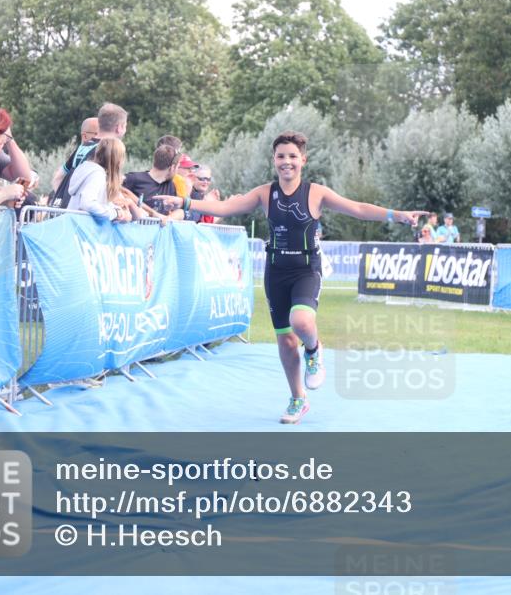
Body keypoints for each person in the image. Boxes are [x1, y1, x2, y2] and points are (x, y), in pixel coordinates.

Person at [154, 130, 426, 424]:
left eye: (293, 157)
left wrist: (396, 215)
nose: (287, 162)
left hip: (306, 269)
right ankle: (298, 399)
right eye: (281, 156)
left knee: (302, 322)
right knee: (285, 342)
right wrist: (185, 204)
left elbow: (358, 209)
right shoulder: (264, 193)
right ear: (274, 160)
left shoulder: (316, 192)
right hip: (276, 271)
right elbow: (225, 208)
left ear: (303, 160)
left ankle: (313, 349)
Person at [50, 103, 128, 192]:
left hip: (71, 204)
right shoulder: (109, 149)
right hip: (88, 204)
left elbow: (58, 178)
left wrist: (65, 200)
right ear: (119, 128)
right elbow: (110, 187)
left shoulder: (82, 148)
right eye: (125, 126)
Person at [67, 138, 138, 223]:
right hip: (80, 229)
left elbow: (100, 204)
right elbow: (87, 203)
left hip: (76, 226)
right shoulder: (97, 174)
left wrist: (119, 212)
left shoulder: (93, 172)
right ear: (117, 159)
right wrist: (115, 213)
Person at [123, 144, 184, 218]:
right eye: (178, 167)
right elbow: (116, 192)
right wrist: (152, 212)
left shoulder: (171, 186)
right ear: (173, 167)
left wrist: (168, 218)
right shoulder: (133, 178)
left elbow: (180, 212)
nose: (177, 171)